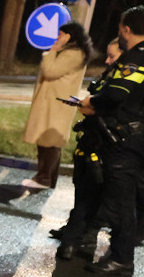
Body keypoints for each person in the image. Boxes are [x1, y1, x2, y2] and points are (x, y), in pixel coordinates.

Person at [78, 5, 144, 277]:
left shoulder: (136, 57)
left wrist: (91, 102)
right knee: (135, 197)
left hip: (126, 140)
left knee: (122, 201)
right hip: (139, 137)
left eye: (120, 28)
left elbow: (116, 93)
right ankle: (127, 247)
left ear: (126, 29)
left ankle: (121, 258)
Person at [55, 38, 120, 260]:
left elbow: (110, 108)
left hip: (105, 146)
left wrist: (92, 107)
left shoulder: (125, 83)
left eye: (112, 56)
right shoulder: (110, 77)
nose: (107, 60)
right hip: (90, 141)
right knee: (83, 191)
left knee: (92, 195)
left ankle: (78, 240)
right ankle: (76, 235)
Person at [21, 22, 93, 190]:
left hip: (55, 104)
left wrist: (53, 50)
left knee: (49, 141)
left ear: (69, 36)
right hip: (53, 103)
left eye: (61, 34)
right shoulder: (73, 53)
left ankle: (43, 178)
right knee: (49, 140)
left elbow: (50, 71)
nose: (57, 37)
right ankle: (47, 178)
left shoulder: (73, 54)